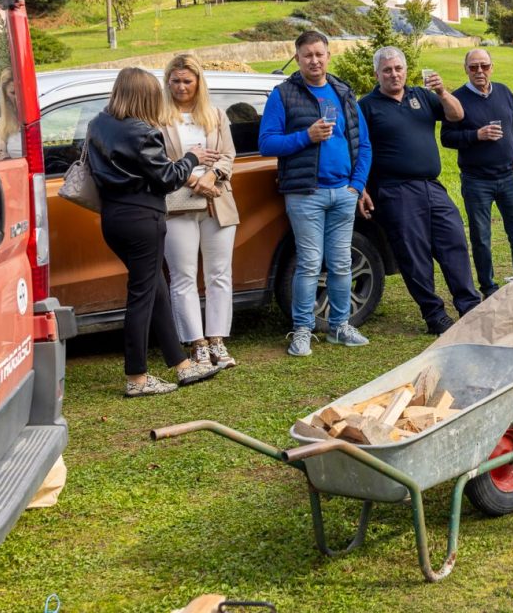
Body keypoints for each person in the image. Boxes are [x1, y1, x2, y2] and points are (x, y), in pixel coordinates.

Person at [85, 67, 221, 397]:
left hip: (113, 218)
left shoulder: (98, 124)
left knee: (156, 288)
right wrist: (192, 157)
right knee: (142, 297)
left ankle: (182, 365)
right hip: (142, 218)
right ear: (145, 96)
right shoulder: (142, 132)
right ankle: (137, 378)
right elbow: (167, 178)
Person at [260, 30, 372, 354]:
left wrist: (357, 186)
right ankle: (302, 330)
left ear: (328, 56)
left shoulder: (343, 92)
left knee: (340, 263)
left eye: (319, 54)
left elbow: (363, 144)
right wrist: (306, 136)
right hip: (305, 193)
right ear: (297, 58)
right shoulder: (283, 95)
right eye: (307, 55)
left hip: (343, 193)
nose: (314, 60)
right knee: (309, 263)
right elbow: (267, 143)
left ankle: (339, 326)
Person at [358, 46, 481, 334]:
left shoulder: (421, 96)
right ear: (377, 74)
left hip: (431, 186)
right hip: (394, 190)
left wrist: (442, 92)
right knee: (414, 255)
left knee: (454, 243)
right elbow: (358, 150)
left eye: (398, 68)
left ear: (405, 70)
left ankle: (470, 306)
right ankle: (434, 315)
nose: (394, 74)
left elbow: (457, 115)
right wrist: (361, 188)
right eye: (387, 70)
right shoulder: (366, 106)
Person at [159, 54, 240, 370]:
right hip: (177, 204)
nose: (181, 86)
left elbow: (229, 155)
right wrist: (193, 177)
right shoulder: (159, 117)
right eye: (175, 80)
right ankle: (197, 343)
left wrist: (212, 176)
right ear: (168, 82)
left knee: (220, 273)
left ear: (198, 83)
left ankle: (218, 339)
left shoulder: (215, 114)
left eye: (187, 81)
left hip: (217, 199)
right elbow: (158, 162)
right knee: (183, 276)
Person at [440, 48, 513, 298]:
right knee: (481, 237)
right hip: (476, 180)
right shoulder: (457, 99)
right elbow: (446, 138)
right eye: (473, 67)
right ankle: (488, 287)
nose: (480, 71)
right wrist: (476, 135)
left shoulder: (504, 92)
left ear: (492, 67)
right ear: (465, 69)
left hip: (509, 177)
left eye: (484, 66)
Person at [0, 66, 23, 159]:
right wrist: (5, 159)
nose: (18, 97)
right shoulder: (0, 125)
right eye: (13, 93)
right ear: (6, 96)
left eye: (20, 91)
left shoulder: (40, 115)